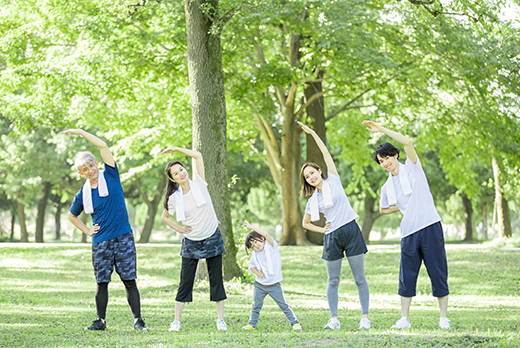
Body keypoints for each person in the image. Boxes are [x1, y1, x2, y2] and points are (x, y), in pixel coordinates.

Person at [362, 120, 450, 330]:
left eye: (387, 158)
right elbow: (384, 209)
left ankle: (443, 318)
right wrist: (403, 208)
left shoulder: (412, 168)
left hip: (430, 226)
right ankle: (404, 319)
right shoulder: (386, 187)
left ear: (395, 156)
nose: (385, 163)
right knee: (406, 275)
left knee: (438, 272)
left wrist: (382, 130)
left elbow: (408, 141)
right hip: (408, 233)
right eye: (381, 161)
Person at [61, 129, 146, 331]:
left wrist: (81, 132)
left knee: (129, 280)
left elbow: (103, 146)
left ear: (96, 164)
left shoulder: (110, 175)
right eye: (84, 169)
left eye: (90, 166)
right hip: (101, 241)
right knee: (102, 282)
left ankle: (138, 320)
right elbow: (72, 216)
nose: (89, 171)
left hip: (123, 236)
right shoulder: (82, 193)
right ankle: (100, 321)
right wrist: (87, 231)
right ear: (80, 172)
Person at [298, 121, 370, 330]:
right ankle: (334, 319)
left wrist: (312, 133)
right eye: (307, 176)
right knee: (333, 280)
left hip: (351, 230)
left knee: (359, 278)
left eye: (313, 172)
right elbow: (306, 223)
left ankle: (365, 317)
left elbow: (325, 151)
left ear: (320, 171)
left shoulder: (334, 180)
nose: (311, 177)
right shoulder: (312, 200)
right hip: (332, 237)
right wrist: (322, 230)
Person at [159, 147, 227, 332]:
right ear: (172, 179)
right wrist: (180, 228)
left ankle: (220, 320)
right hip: (191, 241)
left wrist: (175, 149)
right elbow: (165, 217)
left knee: (216, 280)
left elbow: (198, 155)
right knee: (185, 281)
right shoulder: (174, 198)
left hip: (212, 235)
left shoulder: (199, 182)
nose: (181, 173)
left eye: (181, 169)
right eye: (176, 173)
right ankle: (176, 321)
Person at [242, 221, 302, 331]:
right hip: (260, 285)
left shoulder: (271, 246)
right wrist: (258, 273)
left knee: (283, 305)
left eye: (256, 242)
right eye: (253, 246)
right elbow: (251, 267)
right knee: (256, 306)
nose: (256, 246)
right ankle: (252, 324)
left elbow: (266, 234)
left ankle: (295, 322)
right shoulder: (255, 255)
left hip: (274, 284)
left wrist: (252, 227)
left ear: (261, 238)